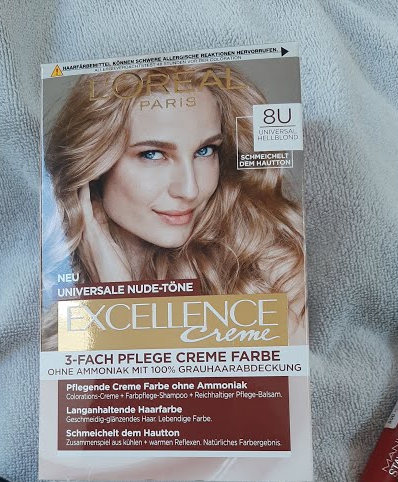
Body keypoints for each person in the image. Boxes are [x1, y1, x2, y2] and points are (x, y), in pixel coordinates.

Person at [42, 63, 306, 347]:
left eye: (205, 151)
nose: (190, 189)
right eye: (153, 154)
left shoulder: (268, 265)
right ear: (94, 165)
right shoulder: (43, 273)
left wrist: (121, 300)